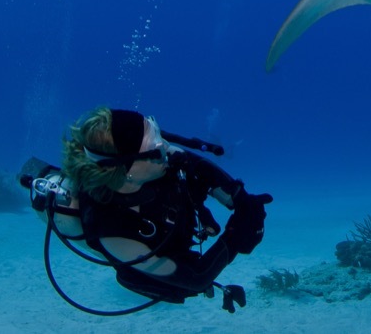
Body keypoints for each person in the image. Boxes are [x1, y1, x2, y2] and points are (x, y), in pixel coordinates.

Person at [59, 106, 272, 313]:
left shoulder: (150, 163)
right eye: (157, 148)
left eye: (158, 134)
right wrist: (236, 235)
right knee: (173, 285)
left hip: (169, 219)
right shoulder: (114, 234)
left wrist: (238, 197)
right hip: (156, 262)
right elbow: (196, 278)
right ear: (127, 171)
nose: (166, 147)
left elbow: (194, 164)